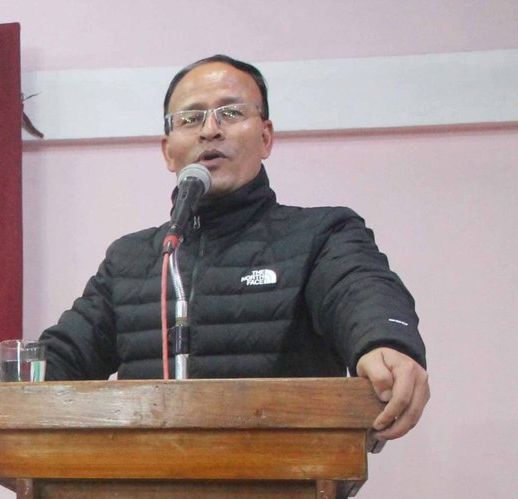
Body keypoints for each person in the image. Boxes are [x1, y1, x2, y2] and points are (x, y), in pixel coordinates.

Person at [40, 54, 430, 442]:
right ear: (168, 151)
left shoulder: (321, 234)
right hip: (146, 479)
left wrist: (384, 342)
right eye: (190, 119)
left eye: (230, 113)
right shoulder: (132, 258)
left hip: (284, 475)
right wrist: (12, 388)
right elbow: (64, 357)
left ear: (265, 138)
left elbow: (362, 291)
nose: (210, 130)